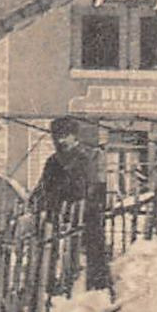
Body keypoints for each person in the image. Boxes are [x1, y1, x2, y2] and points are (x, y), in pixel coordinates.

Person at [30, 116, 112, 293]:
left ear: (75, 136)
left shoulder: (86, 158)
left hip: (84, 213)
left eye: (64, 135)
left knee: (90, 249)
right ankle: (48, 286)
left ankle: (96, 287)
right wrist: (37, 198)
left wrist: (81, 202)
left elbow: (93, 186)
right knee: (48, 252)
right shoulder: (52, 161)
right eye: (56, 136)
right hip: (56, 214)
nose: (59, 140)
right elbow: (44, 185)